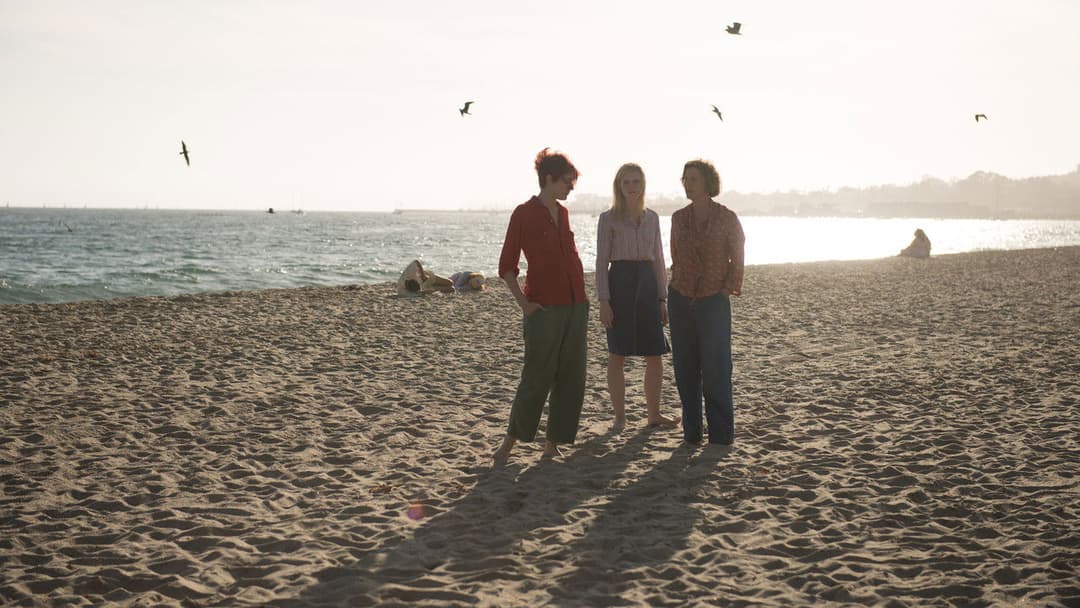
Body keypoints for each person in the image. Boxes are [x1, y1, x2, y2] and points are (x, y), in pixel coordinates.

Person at [493, 148, 588, 464]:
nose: (569, 190)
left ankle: (552, 443)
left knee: (572, 376)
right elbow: (507, 265)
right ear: (549, 179)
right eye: (566, 183)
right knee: (536, 375)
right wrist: (523, 303)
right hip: (544, 307)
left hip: (576, 304)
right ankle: (509, 442)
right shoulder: (523, 213)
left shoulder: (563, 214)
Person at [667, 159, 745, 447]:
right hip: (681, 298)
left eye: (693, 179)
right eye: (684, 179)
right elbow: (675, 256)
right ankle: (692, 433)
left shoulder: (727, 218)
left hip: (713, 299)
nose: (688, 184)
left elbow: (737, 255)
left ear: (708, 183)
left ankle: (721, 435)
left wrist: (727, 289)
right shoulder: (678, 218)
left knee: (716, 368)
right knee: (685, 369)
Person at [595, 163, 678, 432]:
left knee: (654, 353)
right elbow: (600, 262)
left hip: (648, 285)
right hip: (620, 282)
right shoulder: (608, 219)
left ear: (643, 185)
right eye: (626, 182)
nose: (632, 187)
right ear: (619, 186)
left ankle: (653, 414)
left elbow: (659, 259)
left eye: (636, 182)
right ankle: (620, 417)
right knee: (617, 353)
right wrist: (604, 301)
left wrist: (662, 298)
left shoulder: (652, 217)